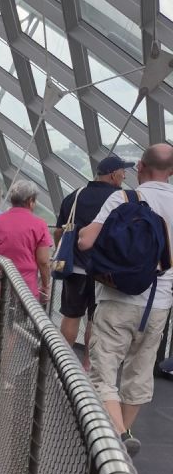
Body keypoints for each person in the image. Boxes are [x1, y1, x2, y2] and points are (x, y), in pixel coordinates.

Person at [78, 142, 173, 452]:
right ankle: (124, 436)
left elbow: (86, 240)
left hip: (117, 298)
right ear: (171, 172)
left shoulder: (124, 197)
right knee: (139, 375)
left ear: (139, 168)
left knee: (103, 375)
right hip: (159, 304)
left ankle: (118, 438)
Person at [53, 154, 132, 351]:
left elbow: (59, 231)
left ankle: (62, 364)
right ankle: (87, 368)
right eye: (123, 173)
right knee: (94, 320)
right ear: (113, 175)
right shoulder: (121, 200)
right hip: (104, 272)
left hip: (75, 268)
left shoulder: (76, 195)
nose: (125, 177)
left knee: (71, 316)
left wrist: (60, 251)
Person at [0, 180, 52, 304]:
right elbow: (43, 261)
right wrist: (45, 286)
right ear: (30, 201)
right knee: (15, 323)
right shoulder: (40, 225)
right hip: (23, 288)